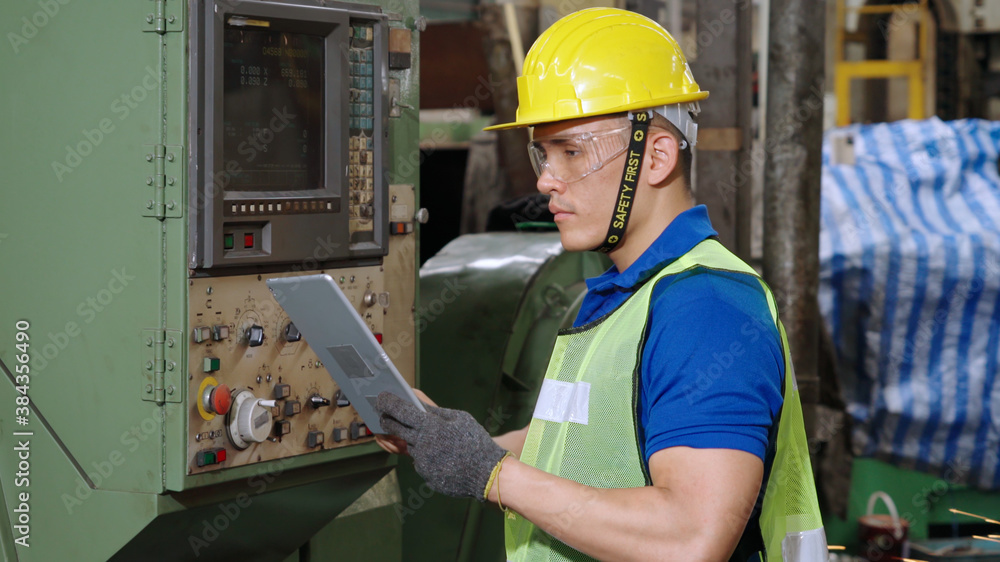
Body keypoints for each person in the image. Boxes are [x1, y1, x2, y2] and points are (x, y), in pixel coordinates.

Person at [375, 8, 825, 561]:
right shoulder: (620, 296)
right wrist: (446, 442)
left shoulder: (707, 306)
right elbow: (579, 449)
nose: (545, 179)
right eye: (543, 152)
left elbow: (691, 538)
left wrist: (493, 474)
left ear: (656, 155)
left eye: (572, 151)